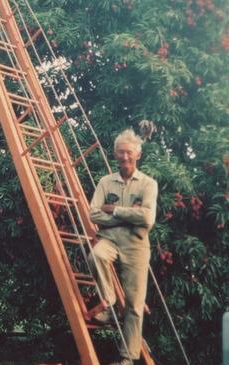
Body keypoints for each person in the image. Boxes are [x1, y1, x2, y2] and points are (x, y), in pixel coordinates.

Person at [88, 129, 158, 365]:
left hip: (137, 246)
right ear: (115, 154)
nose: (124, 157)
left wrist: (115, 210)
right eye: (120, 152)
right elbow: (93, 212)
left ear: (137, 154)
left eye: (129, 152)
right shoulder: (106, 182)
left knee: (135, 304)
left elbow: (148, 218)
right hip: (110, 239)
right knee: (96, 255)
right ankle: (108, 302)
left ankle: (127, 358)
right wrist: (131, 215)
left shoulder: (148, 184)